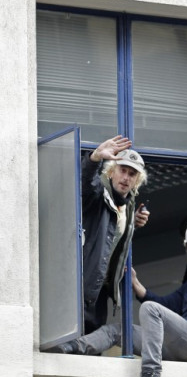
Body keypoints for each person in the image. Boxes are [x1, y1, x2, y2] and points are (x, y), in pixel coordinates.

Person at [47, 162, 187, 377]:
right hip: (181, 345)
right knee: (117, 331)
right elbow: (167, 304)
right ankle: (71, 348)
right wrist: (137, 285)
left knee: (152, 310)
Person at [81, 135, 149, 334]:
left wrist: (132, 224)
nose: (126, 177)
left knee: (92, 349)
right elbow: (86, 185)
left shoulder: (127, 208)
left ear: (137, 180)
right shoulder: (99, 195)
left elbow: (109, 236)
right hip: (83, 287)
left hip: (100, 291)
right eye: (122, 170)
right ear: (111, 172)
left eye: (132, 174)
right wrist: (94, 158)